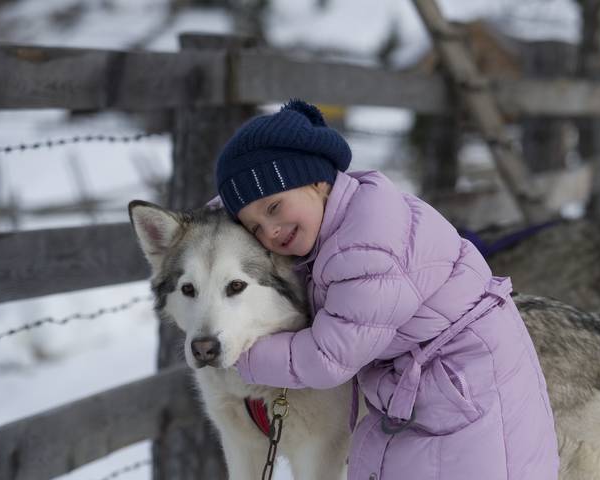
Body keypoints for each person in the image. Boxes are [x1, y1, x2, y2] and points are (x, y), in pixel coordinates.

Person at [213, 99, 559, 480]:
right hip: (444, 384)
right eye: (255, 227)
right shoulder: (349, 216)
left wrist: (242, 354)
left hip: (464, 393)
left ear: (317, 181)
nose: (271, 230)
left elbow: (331, 357)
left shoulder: (363, 247)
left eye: (275, 207)